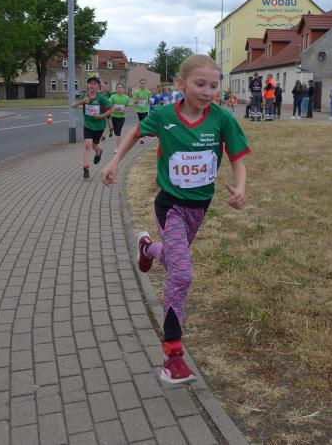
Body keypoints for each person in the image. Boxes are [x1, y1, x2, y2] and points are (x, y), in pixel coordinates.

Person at [101, 54, 249, 384]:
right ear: (181, 84)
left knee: (172, 257)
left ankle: (147, 249)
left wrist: (240, 188)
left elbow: (237, 157)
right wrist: (114, 162)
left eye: (214, 85)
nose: (208, 91)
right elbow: (135, 132)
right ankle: (173, 357)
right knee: (181, 273)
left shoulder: (222, 119)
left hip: (199, 208)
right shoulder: (166, 115)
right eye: (200, 84)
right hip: (170, 206)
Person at [71, 76, 113, 179]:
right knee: (87, 145)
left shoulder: (101, 98)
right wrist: (82, 101)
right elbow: (73, 105)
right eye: (90, 83)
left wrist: (101, 116)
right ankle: (86, 168)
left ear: (98, 86)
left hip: (99, 126)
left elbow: (111, 109)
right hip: (88, 124)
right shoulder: (84, 95)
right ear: (87, 85)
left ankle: (99, 151)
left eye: (94, 84)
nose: (92, 85)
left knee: (94, 145)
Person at [109, 82, 131, 154]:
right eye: (118, 87)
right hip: (114, 116)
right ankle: (118, 145)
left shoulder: (126, 97)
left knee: (118, 131)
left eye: (121, 87)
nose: (120, 89)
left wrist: (125, 110)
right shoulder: (113, 96)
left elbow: (127, 106)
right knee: (116, 132)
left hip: (121, 116)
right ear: (116, 89)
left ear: (123, 89)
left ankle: (118, 148)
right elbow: (109, 105)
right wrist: (113, 108)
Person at [132, 80, 152, 144]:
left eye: (143, 83)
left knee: (144, 122)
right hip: (139, 110)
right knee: (141, 122)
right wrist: (139, 99)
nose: (142, 85)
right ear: (139, 84)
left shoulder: (148, 92)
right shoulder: (136, 92)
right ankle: (142, 135)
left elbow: (149, 101)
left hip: (145, 109)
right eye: (141, 83)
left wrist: (150, 101)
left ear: (145, 84)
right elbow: (134, 102)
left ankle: (142, 137)